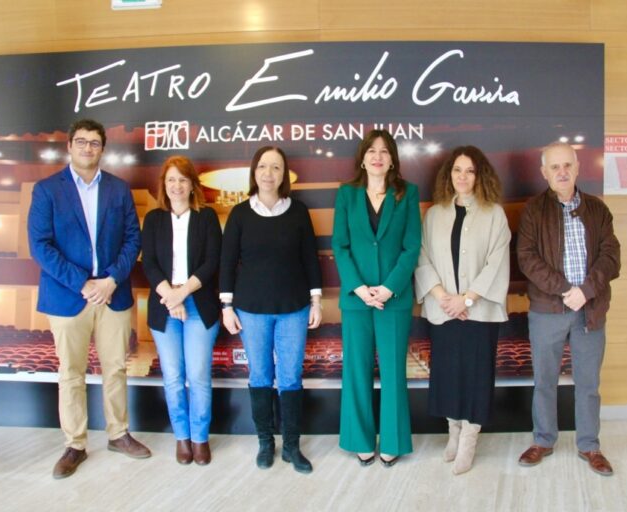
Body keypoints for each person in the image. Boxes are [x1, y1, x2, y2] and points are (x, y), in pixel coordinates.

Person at [28, 119, 150, 480]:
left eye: (94, 143)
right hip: (68, 297)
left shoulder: (118, 189)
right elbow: (40, 246)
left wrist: (111, 279)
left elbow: (133, 240)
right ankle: (75, 444)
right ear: (69, 146)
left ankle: (118, 434)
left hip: (112, 294)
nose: (87, 148)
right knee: (71, 373)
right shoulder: (47, 190)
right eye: (81, 142)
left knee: (115, 367)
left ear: (102, 149)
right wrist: (83, 283)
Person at [517, 141, 621, 476]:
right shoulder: (534, 210)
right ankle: (543, 440)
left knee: (588, 382)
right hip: (548, 309)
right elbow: (527, 259)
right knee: (544, 379)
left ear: (577, 168)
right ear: (544, 173)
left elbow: (611, 257)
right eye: (555, 167)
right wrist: (565, 289)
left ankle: (590, 445)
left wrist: (586, 291)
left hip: (590, 310)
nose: (562, 172)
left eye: (567, 165)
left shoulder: (597, 210)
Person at [219, 146, 322, 474]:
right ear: (254, 172)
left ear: (284, 174)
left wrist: (316, 301)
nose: (268, 173)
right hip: (251, 310)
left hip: (294, 309)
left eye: (275, 167)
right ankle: (265, 442)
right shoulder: (239, 214)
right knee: (260, 376)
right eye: (262, 166)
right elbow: (226, 263)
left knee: (290, 378)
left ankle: (292, 445)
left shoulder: (298, 212)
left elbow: (310, 258)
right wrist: (226, 306)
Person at [415, 146, 511, 474]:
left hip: (478, 312)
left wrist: (467, 299)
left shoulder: (494, 214)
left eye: (470, 171)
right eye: (457, 170)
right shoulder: (434, 214)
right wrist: (445, 298)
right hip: (444, 309)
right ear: (449, 175)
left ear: (479, 175)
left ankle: (470, 438)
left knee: (477, 374)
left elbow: (497, 262)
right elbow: (422, 257)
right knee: (448, 373)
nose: (463, 177)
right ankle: (453, 431)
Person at [332, 129, 421, 467]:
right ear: (363, 157)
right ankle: (359, 440)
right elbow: (339, 245)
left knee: (394, 372)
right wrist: (358, 287)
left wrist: (388, 287)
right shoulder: (347, 194)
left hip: (392, 298)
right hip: (356, 300)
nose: (377, 156)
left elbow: (411, 246)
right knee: (356, 370)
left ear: (393, 159)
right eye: (371, 150)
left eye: (384, 151)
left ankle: (394, 441)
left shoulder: (407, 194)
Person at [141, 156, 221, 466]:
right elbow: (149, 263)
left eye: (183, 180)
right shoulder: (154, 219)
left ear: (192, 186)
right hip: (163, 305)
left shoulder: (207, 218)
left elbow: (212, 262)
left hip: (198, 302)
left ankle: (200, 439)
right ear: (164, 184)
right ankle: (182, 438)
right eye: (171, 179)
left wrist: (181, 295)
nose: (176, 185)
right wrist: (170, 298)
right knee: (173, 377)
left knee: (198, 375)